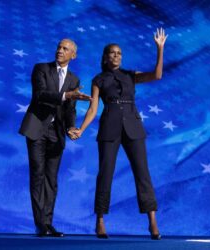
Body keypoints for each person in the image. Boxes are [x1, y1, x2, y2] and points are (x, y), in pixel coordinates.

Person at [73, 28, 168, 240]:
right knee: (105, 174)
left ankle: (152, 221)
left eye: (119, 53)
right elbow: (92, 109)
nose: (116, 56)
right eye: (112, 53)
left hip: (133, 127)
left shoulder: (130, 75)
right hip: (109, 127)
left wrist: (160, 49)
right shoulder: (98, 80)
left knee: (142, 173)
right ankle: (100, 220)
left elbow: (157, 75)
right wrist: (81, 129)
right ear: (105, 57)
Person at [19, 39, 91, 237]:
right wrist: (67, 95)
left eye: (65, 49)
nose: (60, 50)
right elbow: (40, 94)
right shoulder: (41, 68)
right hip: (36, 129)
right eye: (59, 47)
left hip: (57, 133)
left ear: (73, 55)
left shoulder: (74, 80)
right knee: (37, 175)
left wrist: (71, 127)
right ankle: (40, 224)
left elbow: (70, 109)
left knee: (51, 179)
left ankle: (48, 223)